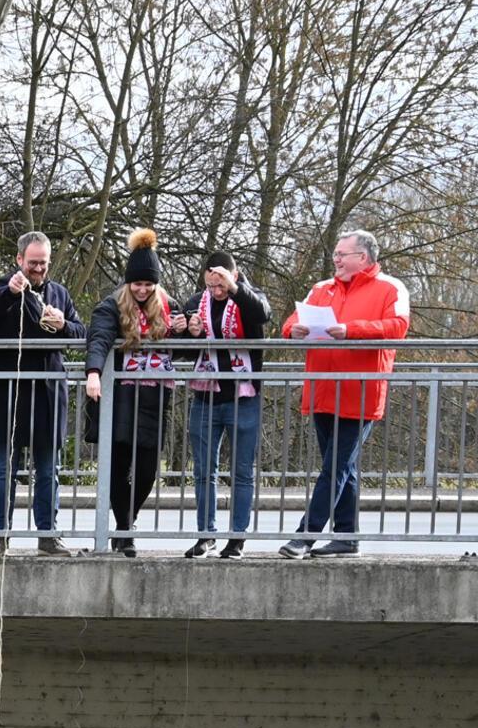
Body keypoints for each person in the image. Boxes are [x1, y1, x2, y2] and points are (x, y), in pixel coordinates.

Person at [280, 230, 409, 559]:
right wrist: (292, 330)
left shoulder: (390, 287)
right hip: (322, 389)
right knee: (341, 467)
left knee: (335, 467)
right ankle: (347, 537)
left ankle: (304, 537)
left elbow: (397, 326)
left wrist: (352, 330)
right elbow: (293, 319)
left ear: (362, 258)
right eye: (336, 254)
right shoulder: (321, 288)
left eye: (342, 254)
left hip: (360, 392)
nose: (335, 259)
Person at [0, 232, 84, 556]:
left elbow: (81, 333)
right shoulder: (4, 286)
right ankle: (0, 536)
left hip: (48, 393)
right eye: (33, 263)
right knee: (4, 469)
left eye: (43, 263)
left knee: (48, 469)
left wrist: (63, 323)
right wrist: (13, 291)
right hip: (10, 392)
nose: (39, 269)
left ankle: (48, 535)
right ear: (19, 260)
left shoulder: (60, 293)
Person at [83, 228, 180, 556]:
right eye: (136, 283)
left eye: (147, 284)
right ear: (128, 283)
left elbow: (184, 346)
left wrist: (187, 330)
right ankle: (124, 531)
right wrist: (94, 372)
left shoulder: (168, 305)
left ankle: (126, 523)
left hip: (155, 396)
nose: (141, 289)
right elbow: (98, 338)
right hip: (119, 396)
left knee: (148, 468)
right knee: (118, 464)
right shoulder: (112, 304)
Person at [176, 250, 270, 558]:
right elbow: (187, 352)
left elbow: (262, 314)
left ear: (234, 275)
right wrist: (189, 335)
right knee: (204, 470)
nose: (216, 292)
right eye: (211, 286)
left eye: (221, 286)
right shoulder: (195, 302)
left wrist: (234, 289)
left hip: (243, 396)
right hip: (206, 396)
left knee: (242, 471)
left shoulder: (248, 295)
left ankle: (237, 538)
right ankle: (206, 535)